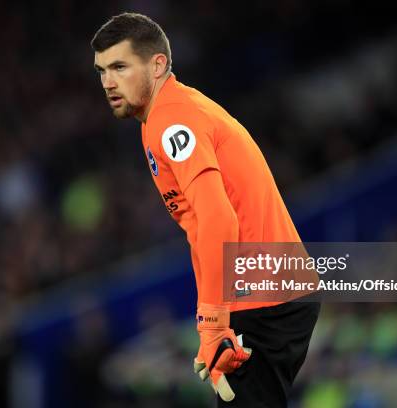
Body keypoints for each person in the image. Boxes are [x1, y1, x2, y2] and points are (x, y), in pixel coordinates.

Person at [91, 12, 320, 407]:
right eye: (101, 71)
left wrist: (214, 323)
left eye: (120, 67)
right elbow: (200, 227)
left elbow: (217, 218)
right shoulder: (166, 115)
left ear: (157, 64)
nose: (108, 82)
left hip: (262, 298)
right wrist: (210, 319)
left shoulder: (172, 120)